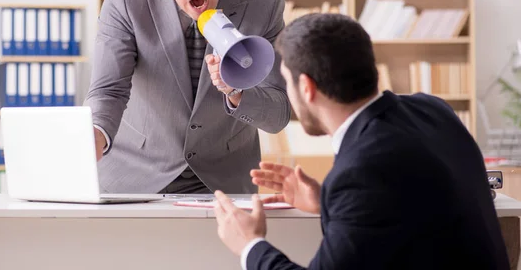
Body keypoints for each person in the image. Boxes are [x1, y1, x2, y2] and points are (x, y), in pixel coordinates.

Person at [213, 13, 509, 269]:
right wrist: (327, 200)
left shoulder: (361, 172)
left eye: (287, 82)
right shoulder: (432, 110)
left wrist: (250, 245)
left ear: (306, 88)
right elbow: (409, 204)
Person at [84, 0, 291, 194]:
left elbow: (278, 114)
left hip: (224, 184)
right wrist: (95, 135)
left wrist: (236, 92)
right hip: (135, 180)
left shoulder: (265, 4)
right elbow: (108, 90)